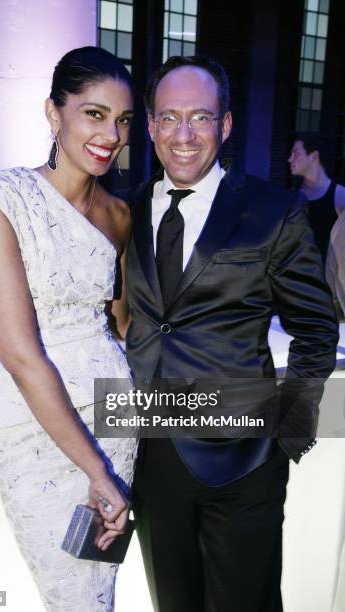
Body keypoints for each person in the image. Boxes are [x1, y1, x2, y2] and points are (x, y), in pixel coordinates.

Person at [123, 55, 338, 612]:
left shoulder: (274, 210)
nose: (184, 135)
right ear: (150, 126)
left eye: (200, 117)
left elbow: (316, 326)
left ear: (225, 124)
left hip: (244, 452)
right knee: (173, 603)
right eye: (169, 118)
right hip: (151, 451)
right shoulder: (124, 212)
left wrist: (290, 430)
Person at [0, 47, 138, 612]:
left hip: (111, 414)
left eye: (122, 120)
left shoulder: (119, 215)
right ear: (54, 113)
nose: (111, 134)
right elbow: (20, 355)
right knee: (67, 591)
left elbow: (119, 326)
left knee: (98, 582)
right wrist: (94, 470)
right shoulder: (2, 199)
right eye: (93, 114)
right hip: (30, 421)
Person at [288, 133, 345, 261]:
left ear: (314, 156)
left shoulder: (340, 197)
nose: (290, 159)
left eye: (295, 153)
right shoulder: (294, 196)